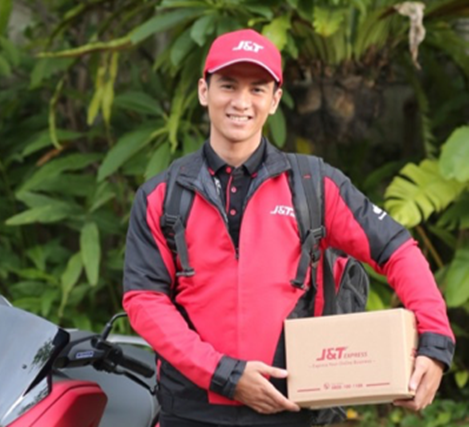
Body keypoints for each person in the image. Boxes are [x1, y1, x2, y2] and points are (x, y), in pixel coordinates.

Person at [122, 29, 455, 427]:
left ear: (275, 100)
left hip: (296, 410)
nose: (241, 102)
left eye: (257, 89)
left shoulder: (313, 185)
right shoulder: (161, 195)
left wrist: (436, 344)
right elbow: (145, 300)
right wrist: (225, 375)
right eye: (228, 85)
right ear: (203, 91)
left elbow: (398, 250)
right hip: (191, 412)